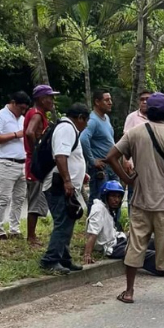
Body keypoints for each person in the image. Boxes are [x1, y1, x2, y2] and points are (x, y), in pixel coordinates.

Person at [105, 92, 164, 307]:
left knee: (135, 246)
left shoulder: (135, 132)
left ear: (148, 110)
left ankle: (128, 292)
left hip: (140, 200)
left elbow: (111, 156)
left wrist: (127, 180)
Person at [40, 102, 90, 273]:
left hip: (64, 184)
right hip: (59, 185)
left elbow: (71, 157)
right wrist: (68, 181)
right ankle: (50, 260)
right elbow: (61, 156)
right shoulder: (66, 129)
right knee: (63, 222)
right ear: (81, 118)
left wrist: (79, 173)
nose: (86, 126)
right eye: (86, 121)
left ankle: (64, 258)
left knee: (68, 221)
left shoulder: (68, 129)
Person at [0, 90, 31, 239]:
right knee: (3, 198)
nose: (22, 111)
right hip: (6, 162)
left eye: (25, 108)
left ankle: (15, 228)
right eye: (21, 108)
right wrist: (15, 135)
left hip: (22, 163)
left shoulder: (22, 119)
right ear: (13, 103)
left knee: (19, 198)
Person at [23, 83, 57, 246]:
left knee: (37, 196)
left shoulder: (37, 114)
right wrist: (38, 149)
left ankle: (32, 235)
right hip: (34, 162)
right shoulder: (37, 114)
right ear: (41, 99)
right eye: (50, 97)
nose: (52, 101)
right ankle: (31, 237)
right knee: (35, 198)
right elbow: (30, 132)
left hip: (33, 161)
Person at [81, 91, 115, 211]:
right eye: (106, 100)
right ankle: (93, 227)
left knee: (112, 198)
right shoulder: (93, 120)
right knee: (97, 199)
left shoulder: (106, 118)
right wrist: (92, 160)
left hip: (111, 165)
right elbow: (83, 138)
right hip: (100, 168)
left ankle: (110, 226)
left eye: (110, 99)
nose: (110, 102)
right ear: (97, 102)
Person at [82, 180, 127, 264]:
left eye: (118, 197)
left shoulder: (107, 208)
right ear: (105, 196)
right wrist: (87, 254)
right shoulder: (98, 209)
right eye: (113, 196)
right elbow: (93, 233)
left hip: (117, 240)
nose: (116, 200)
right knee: (142, 252)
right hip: (112, 248)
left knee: (149, 242)